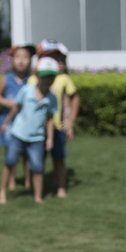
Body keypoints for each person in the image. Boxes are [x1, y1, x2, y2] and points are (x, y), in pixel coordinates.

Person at [6, 57, 60, 203]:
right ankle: (3, 192)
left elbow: (50, 119)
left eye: (51, 76)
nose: (48, 79)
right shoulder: (26, 90)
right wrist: (6, 123)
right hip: (19, 133)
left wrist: (50, 138)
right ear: (36, 75)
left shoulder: (52, 98)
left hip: (37, 137)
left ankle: (38, 196)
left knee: (37, 166)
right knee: (10, 161)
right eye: (44, 76)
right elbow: (16, 108)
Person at [34, 41, 79, 198]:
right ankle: (36, 188)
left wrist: (70, 121)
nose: (57, 62)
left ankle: (61, 187)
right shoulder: (34, 79)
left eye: (59, 58)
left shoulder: (63, 78)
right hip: (37, 128)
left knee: (59, 158)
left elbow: (74, 99)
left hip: (57, 126)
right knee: (37, 159)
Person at [0, 46, 33, 205]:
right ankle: (12, 180)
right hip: (8, 121)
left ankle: (28, 180)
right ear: (12, 60)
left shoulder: (32, 80)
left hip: (26, 121)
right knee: (11, 152)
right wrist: (7, 103)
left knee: (27, 153)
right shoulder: (6, 79)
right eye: (17, 57)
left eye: (25, 57)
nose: (21, 61)